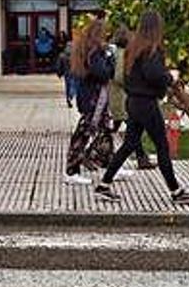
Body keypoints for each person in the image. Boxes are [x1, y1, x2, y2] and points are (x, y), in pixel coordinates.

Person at [94, 11, 189, 204]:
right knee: (162, 146)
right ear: (156, 28)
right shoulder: (152, 49)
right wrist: (171, 77)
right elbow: (154, 74)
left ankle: (104, 185)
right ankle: (176, 191)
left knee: (129, 145)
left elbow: (131, 76)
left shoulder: (133, 48)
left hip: (133, 101)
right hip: (146, 103)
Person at [63, 18, 133, 185]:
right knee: (83, 133)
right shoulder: (94, 52)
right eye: (104, 34)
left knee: (105, 133)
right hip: (93, 101)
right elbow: (102, 73)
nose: (107, 37)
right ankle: (71, 171)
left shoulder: (91, 49)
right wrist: (110, 59)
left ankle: (111, 167)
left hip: (96, 100)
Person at [109, 25, 156, 170]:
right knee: (132, 129)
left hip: (120, 97)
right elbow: (119, 76)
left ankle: (141, 158)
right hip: (122, 97)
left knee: (121, 129)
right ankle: (141, 158)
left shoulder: (118, 52)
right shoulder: (122, 54)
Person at [56, 35, 77, 108]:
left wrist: (59, 73)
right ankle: (71, 96)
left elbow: (59, 65)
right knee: (73, 85)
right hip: (74, 72)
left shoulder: (62, 55)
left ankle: (69, 97)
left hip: (67, 73)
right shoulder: (76, 55)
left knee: (68, 86)